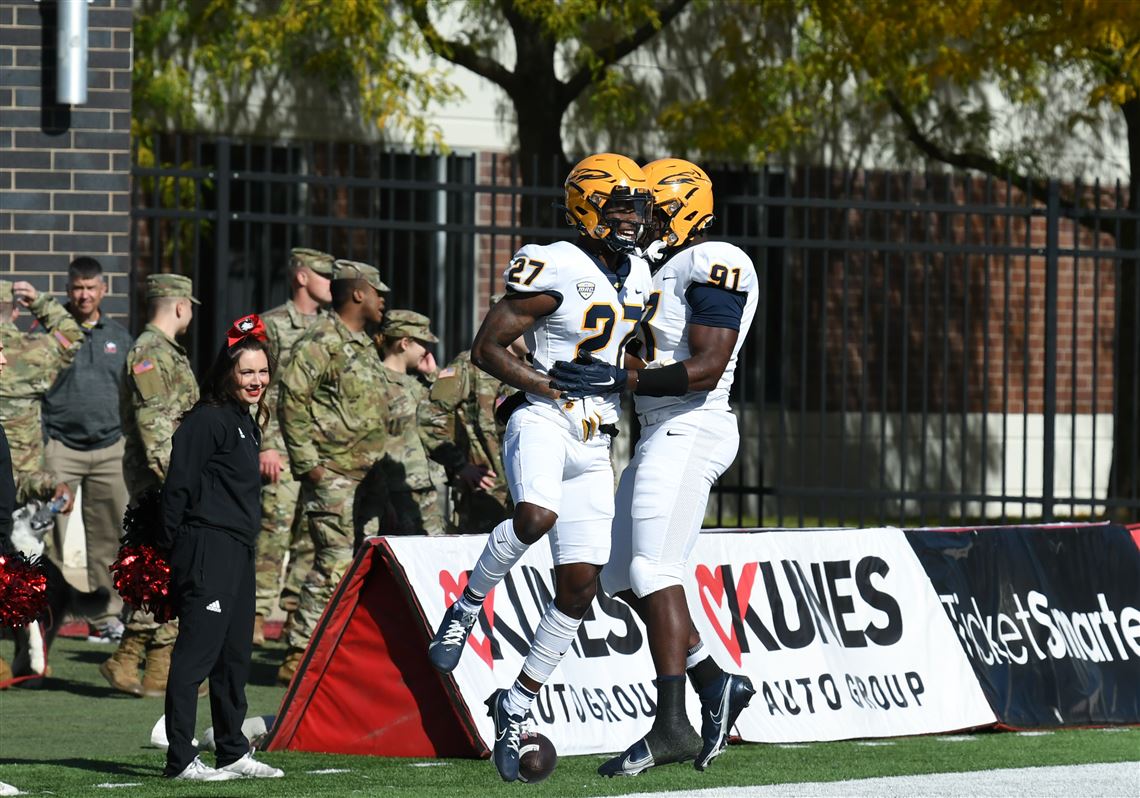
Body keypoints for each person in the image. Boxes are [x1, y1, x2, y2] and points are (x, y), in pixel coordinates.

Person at [426, 153, 654, 782]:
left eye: (635, 205)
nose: (632, 217)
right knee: (533, 515)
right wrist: (547, 383)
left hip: (597, 434)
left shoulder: (637, 272)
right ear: (587, 207)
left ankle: (518, 700)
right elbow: (486, 347)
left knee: (581, 586)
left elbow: (627, 354)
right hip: (545, 416)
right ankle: (467, 605)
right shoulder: (555, 261)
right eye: (619, 205)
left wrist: (631, 376)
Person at [548, 158, 760, 776]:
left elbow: (708, 365)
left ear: (687, 207)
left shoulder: (715, 259)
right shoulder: (648, 268)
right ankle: (715, 679)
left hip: (694, 423)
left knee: (652, 565)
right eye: (641, 210)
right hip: (658, 428)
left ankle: (672, 726)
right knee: (616, 575)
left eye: (656, 210)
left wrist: (621, 375)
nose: (643, 222)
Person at [161, 313, 283, 781]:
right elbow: (178, 488)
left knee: (234, 657)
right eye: (246, 371)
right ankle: (180, 759)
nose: (256, 381)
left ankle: (232, 750)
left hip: (238, 550)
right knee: (197, 656)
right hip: (206, 547)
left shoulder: (243, 421)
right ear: (228, 372)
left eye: (262, 371)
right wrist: (172, 552)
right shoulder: (207, 420)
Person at [275, 260, 392, 685]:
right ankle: (298, 652)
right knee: (334, 564)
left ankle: (334, 648)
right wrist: (311, 467)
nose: (383, 302)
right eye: (378, 292)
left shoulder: (362, 343)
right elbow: (291, 400)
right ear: (359, 293)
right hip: (334, 477)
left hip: (366, 480)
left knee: (359, 564)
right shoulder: (320, 340)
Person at [102, 274, 200, 698]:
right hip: (160, 476)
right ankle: (136, 657)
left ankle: (152, 664)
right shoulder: (149, 353)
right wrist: (179, 483)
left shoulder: (166, 353)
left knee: (164, 562)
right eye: (190, 306)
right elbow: (155, 425)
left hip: (167, 474)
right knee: (162, 562)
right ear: (179, 306)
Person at [41, 257, 133, 643]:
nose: (84, 294)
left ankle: (105, 617)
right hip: (61, 446)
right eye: (77, 287)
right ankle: (44, 615)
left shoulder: (120, 336)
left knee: (109, 536)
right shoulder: (51, 332)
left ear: (103, 290)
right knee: (50, 539)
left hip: (110, 448)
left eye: (91, 287)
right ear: (67, 289)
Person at [253, 247, 335, 646]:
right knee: (273, 531)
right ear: (302, 277)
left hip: (319, 449)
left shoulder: (333, 329)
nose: (332, 284)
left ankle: (292, 614)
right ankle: (254, 613)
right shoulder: (270, 325)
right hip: (281, 447)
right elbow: (259, 389)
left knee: (310, 535)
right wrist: (265, 444)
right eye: (325, 276)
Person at [420, 311, 521, 533]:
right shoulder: (471, 364)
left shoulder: (537, 366)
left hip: (528, 495)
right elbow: (430, 416)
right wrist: (461, 466)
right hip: (487, 494)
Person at [0, 280, 79, 511]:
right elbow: (72, 336)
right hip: (26, 479)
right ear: (15, 311)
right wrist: (39, 302)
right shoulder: (37, 351)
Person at [375, 309, 446, 535]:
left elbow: (449, 404)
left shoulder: (416, 384)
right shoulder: (375, 381)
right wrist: (383, 498)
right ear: (405, 343)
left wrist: (433, 373)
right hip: (396, 489)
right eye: (422, 343)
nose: (426, 350)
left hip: (425, 485)